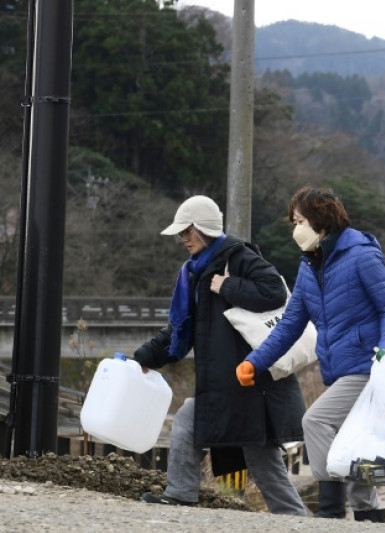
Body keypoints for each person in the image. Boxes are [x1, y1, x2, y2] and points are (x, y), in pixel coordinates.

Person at [235, 187, 385, 523]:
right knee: (357, 453)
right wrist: (255, 361)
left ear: (320, 220)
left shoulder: (361, 254)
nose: (294, 228)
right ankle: (370, 521)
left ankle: (329, 513)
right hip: (340, 371)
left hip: (367, 366)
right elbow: (289, 326)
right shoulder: (309, 267)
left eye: (299, 220)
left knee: (315, 420)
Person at [134, 195, 308, 516]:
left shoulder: (237, 257)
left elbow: (274, 290)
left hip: (254, 385)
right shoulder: (196, 273)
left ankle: (296, 521)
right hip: (232, 387)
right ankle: (181, 493)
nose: (183, 239)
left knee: (263, 462)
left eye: (187, 232)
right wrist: (143, 357)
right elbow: (179, 330)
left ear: (203, 229)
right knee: (194, 420)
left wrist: (227, 286)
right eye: (181, 234)